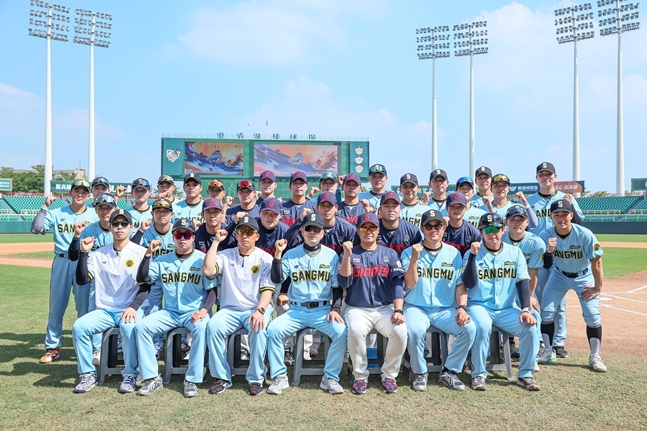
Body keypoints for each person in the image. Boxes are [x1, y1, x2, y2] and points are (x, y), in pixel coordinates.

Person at [266, 213, 347, 395]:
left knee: (341, 331)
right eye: (308, 228)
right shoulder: (291, 254)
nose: (312, 232)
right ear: (302, 231)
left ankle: (330, 377)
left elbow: (337, 286)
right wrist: (278, 255)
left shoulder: (331, 255)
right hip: (296, 310)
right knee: (273, 330)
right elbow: (277, 278)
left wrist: (335, 309)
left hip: (322, 310)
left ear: (322, 232)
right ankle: (279, 376)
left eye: (316, 229)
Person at [134, 218, 216, 397]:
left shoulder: (202, 259)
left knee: (201, 328)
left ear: (193, 237)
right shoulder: (162, 260)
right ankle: (152, 377)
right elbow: (142, 278)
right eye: (179, 234)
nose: (183, 238)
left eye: (187, 235)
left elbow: (212, 290)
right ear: (174, 237)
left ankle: (192, 379)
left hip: (194, 312)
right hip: (169, 312)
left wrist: (203, 310)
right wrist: (147, 255)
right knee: (142, 327)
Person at [462, 213, 540, 392]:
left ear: (503, 230)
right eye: (487, 229)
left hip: (506, 308)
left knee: (529, 326)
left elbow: (522, 281)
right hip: (479, 306)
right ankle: (478, 374)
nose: (492, 233)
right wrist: (473, 256)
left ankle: (525, 374)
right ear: (481, 232)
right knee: (482, 327)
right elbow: (469, 283)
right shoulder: (471, 252)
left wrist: (525, 309)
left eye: (496, 229)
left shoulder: (515, 252)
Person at [71, 209, 147, 393]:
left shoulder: (141, 253)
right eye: (115, 224)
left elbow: (146, 286)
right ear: (110, 227)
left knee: (128, 328)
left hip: (131, 308)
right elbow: (82, 280)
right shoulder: (98, 254)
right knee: (79, 327)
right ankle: (87, 374)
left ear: (131, 227)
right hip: (105, 310)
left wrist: (133, 307)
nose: (119, 227)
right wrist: (84, 253)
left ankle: (130, 374)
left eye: (124, 224)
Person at [402, 209, 476, 391]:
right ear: (422, 228)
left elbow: (460, 285)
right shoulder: (409, 252)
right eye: (429, 226)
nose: (433, 229)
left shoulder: (454, 253)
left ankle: (449, 371)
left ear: (444, 228)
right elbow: (410, 283)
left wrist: (462, 308)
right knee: (415, 331)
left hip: (444, 309)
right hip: (416, 307)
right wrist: (414, 260)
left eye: (437, 225)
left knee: (469, 328)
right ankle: (419, 372)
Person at [203, 216, 274, 396]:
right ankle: (222, 377)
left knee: (259, 328)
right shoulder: (226, 255)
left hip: (255, 308)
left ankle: (256, 378)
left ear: (257, 236)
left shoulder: (265, 258)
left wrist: (260, 311)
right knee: (213, 326)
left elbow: (267, 290)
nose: (245, 236)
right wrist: (216, 242)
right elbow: (208, 270)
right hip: (230, 310)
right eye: (241, 231)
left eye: (249, 232)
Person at [339, 212, 407, 395]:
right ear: (358, 231)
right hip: (357, 308)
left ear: (378, 231)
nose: (368, 231)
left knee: (400, 331)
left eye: (372, 227)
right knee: (355, 331)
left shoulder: (390, 254)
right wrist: (347, 257)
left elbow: (397, 284)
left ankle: (389, 375)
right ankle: (360, 376)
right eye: (364, 227)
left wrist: (398, 310)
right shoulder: (350, 253)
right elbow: (344, 282)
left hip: (385, 308)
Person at [30, 179, 97, 363]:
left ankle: (87, 347)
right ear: (70, 193)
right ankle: (52, 347)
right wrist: (45, 207)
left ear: (88, 196)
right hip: (62, 261)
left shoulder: (94, 214)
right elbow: (35, 229)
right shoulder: (57, 212)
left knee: (85, 308)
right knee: (57, 306)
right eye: (77, 191)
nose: (80, 194)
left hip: (84, 261)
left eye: (84, 192)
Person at [537, 200, 607, 372]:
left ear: (571, 215)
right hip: (558, 275)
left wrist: (597, 288)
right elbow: (545, 265)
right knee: (546, 312)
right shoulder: (546, 235)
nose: (561, 218)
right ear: (551, 217)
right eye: (557, 215)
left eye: (564, 214)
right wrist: (549, 251)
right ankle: (548, 350)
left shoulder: (584, 234)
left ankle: (595, 355)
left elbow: (597, 262)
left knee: (592, 315)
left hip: (583, 276)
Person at [527, 162, 584, 356]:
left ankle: (558, 341)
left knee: (559, 302)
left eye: (549, 174)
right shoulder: (530, 201)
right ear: (537, 178)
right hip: (537, 256)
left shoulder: (566, 198)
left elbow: (579, 223)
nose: (545, 177)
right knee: (536, 299)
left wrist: (571, 205)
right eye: (542, 174)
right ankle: (540, 340)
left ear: (555, 176)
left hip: (560, 256)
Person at [502, 205, 546, 359]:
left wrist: (530, 296)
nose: (517, 223)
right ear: (506, 222)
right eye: (513, 219)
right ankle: (505, 344)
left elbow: (533, 272)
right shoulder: (499, 239)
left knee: (534, 314)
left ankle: (534, 352)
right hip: (503, 288)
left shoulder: (536, 242)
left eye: (521, 220)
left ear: (527, 222)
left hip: (524, 287)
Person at [285, 191, 356, 255]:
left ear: (336, 208)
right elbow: (288, 242)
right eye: (323, 205)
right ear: (317, 207)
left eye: (330, 205)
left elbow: (356, 253)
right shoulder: (310, 227)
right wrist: (300, 220)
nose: (326, 209)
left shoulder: (347, 228)